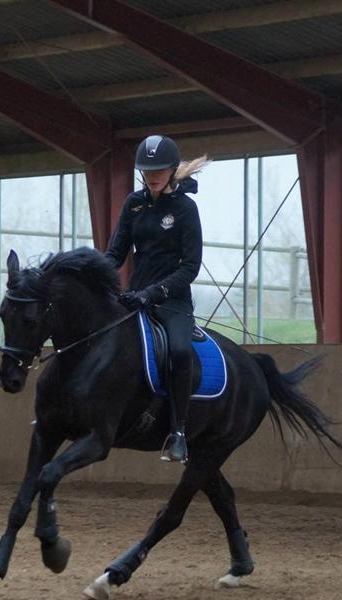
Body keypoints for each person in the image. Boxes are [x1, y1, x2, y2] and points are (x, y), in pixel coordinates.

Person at [105, 134, 208, 464]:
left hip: (171, 301)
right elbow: (115, 253)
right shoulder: (133, 204)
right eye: (146, 169)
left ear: (172, 169)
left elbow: (190, 266)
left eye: (159, 169)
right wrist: (95, 277)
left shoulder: (186, 209)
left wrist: (156, 291)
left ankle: (177, 431)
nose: (152, 175)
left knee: (179, 352)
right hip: (134, 297)